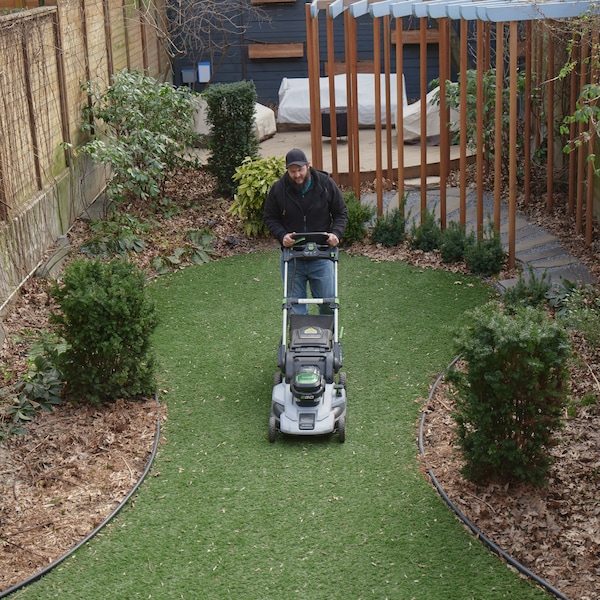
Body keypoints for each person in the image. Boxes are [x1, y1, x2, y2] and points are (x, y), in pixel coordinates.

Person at [263, 148, 348, 314]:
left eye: (300, 170)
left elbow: (341, 212)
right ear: (287, 170)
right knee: (295, 308)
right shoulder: (279, 189)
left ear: (308, 166)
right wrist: (282, 236)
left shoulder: (325, 184)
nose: (297, 175)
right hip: (293, 256)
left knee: (328, 303)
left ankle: (328, 338)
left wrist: (336, 233)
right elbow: (270, 217)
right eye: (292, 171)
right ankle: (300, 340)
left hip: (322, 254)